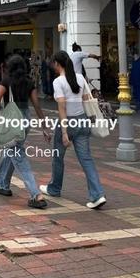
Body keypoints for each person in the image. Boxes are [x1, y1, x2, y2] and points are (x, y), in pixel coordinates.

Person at [41, 51, 107, 210]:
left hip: (68, 122)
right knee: (86, 159)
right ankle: (98, 195)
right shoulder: (80, 78)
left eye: (53, 63)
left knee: (58, 157)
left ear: (57, 63)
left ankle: (54, 188)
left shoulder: (58, 82)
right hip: (83, 121)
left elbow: (62, 107)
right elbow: (86, 100)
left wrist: (64, 132)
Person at [0, 54, 50, 209]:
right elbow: (37, 105)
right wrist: (44, 126)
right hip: (25, 119)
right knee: (12, 150)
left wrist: (2, 110)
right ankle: (1, 183)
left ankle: (36, 194)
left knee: (18, 156)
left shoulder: (6, 81)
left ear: (9, 67)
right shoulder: (29, 82)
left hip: (11, 120)